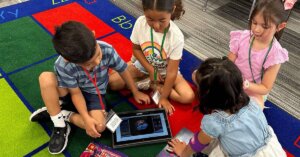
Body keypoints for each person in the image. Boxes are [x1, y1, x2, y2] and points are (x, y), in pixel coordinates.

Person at [29, 21, 150, 154]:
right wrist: (86, 118)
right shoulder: (63, 64)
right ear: (68, 60)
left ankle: (61, 114)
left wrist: (135, 91)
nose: (97, 62)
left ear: (93, 35)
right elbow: (75, 93)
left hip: (93, 94)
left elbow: (123, 70)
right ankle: (59, 124)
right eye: (89, 63)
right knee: (45, 78)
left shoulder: (107, 50)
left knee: (99, 127)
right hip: (69, 91)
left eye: (97, 55)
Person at [169, 57, 286, 157]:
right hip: (274, 151)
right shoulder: (252, 102)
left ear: (207, 96)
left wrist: (183, 152)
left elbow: (197, 144)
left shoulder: (214, 122)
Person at [109, 0, 194, 114]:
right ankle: (150, 83)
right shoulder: (140, 23)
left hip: (166, 71)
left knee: (187, 97)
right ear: (144, 11)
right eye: (150, 19)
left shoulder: (176, 37)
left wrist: (163, 98)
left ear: (172, 10)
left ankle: (153, 85)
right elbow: (136, 49)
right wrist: (150, 70)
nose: (156, 25)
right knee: (112, 83)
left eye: (162, 20)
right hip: (144, 66)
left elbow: (172, 72)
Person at [228, 0, 289, 109]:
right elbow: (228, 63)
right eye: (254, 22)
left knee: (256, 107)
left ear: (280, 27)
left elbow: (265, 87)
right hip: (231, 81)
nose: (256, 29)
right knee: (198, 75)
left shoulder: (275, 54)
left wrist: (245, 85)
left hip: (252, 90)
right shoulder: (242, 37)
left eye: (265, 26)